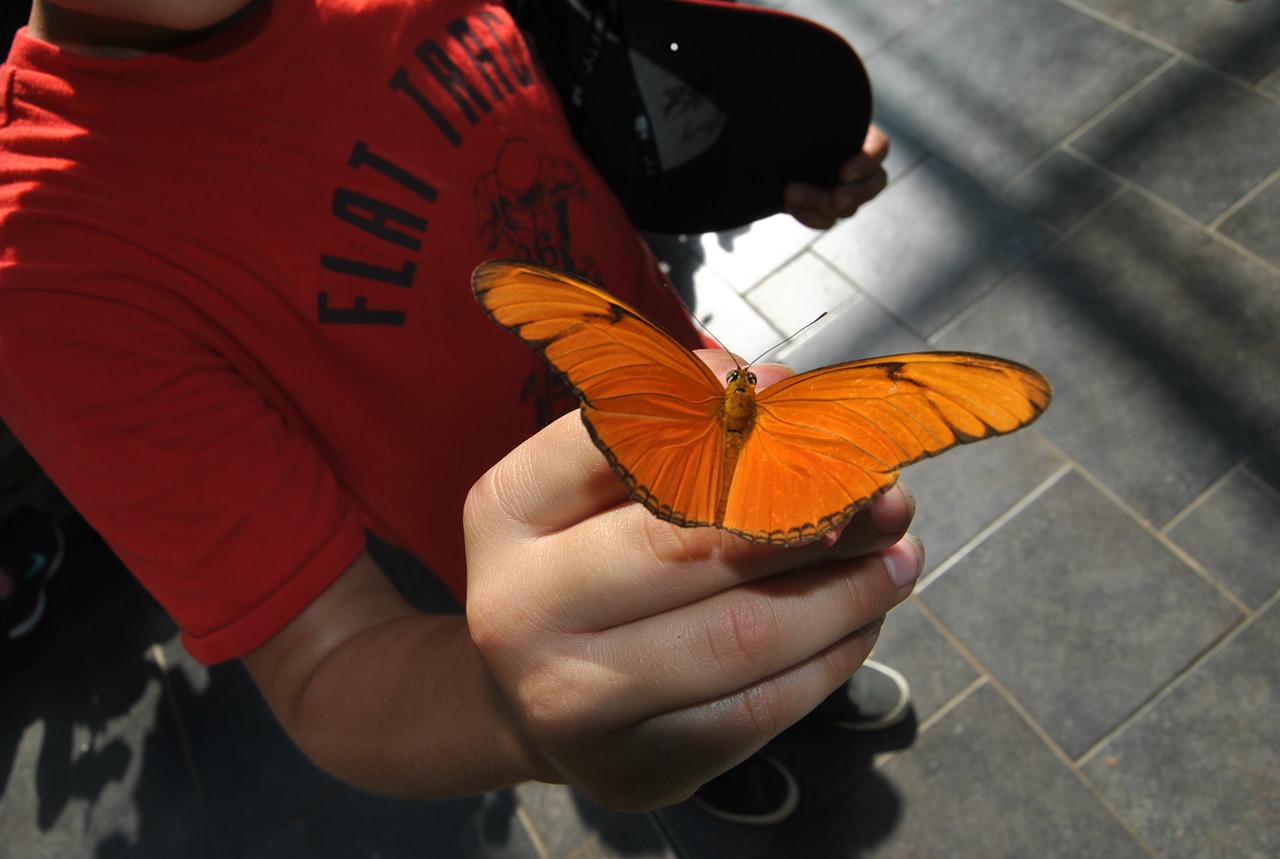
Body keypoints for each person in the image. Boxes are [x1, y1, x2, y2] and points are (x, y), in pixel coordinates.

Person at [0, 0, 915, 824]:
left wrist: (766, 134)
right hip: (573, 573)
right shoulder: (46, 262)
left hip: (686, 388)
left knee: (782, 582)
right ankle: (723, 761)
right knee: (688, 693)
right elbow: (324, 664)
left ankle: (811, 692)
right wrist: (521, 711)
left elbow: (575, 75)